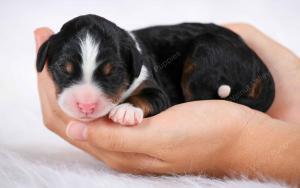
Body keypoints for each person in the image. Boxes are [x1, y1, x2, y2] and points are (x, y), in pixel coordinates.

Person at [34, 23, 300, 185]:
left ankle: (222, 96)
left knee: (201, 65)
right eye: (66, 73)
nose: (86, 101)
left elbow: (157, 97)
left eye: (109, 75)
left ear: (132, 66)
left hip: (216, 49)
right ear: (45, 58)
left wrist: (136, 105)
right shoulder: (124, 51)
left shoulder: (136, 64)